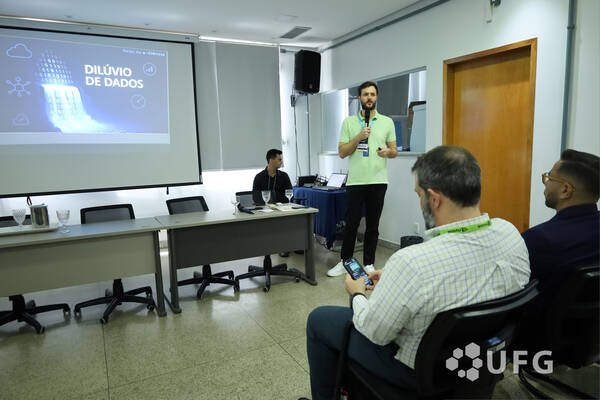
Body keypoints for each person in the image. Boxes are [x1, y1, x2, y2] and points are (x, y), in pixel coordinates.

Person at [304, 146, 530, 400]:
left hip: (417, 372)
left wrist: (357, 294)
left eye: (419, 195)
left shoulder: (412, 263)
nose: (419, 201)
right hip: (479, 363)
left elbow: (374, 332)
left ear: (434, 199)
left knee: (319, 319)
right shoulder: (511, 235)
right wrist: (396, 280)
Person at [517, 149, 599, 352]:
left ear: (565, 190)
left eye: (549, 177)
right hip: (591, 334)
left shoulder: (539, 240)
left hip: (540, 341)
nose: (545, 183)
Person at [327, 81, 398, 277]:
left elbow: (394, 151)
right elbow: (342, 152)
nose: (369, 98)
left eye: (372, 94)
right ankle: (345, 261)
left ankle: (368, 263)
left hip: (378, 181)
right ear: (359, 98)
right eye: (365, 94)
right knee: (351, 224)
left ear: (376, 97)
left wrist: (388, 152)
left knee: (373, 226)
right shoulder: (349, 122)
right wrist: (358, 137)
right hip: (356, 182)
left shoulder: (387, 122)